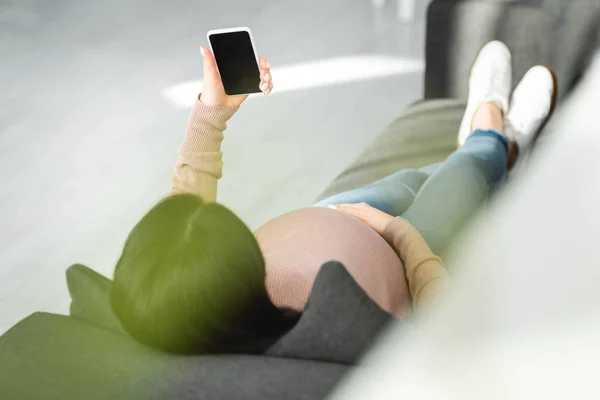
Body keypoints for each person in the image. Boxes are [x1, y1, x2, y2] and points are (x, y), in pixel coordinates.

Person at [110, 41, 555, 354]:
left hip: (334, 215)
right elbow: (440, 324)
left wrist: (212, 114)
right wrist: (396, 232)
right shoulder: (329, 331)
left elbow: (183, 222)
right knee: (472, 164)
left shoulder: (173, 304)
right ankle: (493, 130)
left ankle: (490, 148)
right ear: (240, 276)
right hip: (407, 246)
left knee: (421, 177)